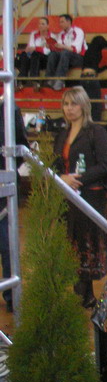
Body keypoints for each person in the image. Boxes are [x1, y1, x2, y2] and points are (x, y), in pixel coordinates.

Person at [52, 86, 107, 308]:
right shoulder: (62, 134)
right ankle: (81, 294)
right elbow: (55, 163)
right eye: (66, 104)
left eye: (74, 103)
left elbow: (106, 164)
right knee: (71, 244)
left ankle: (85, 294)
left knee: (86, 244)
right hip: (66, 198)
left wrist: (77, 179)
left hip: (89, 197)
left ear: (84, 105)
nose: (69, 108)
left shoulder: (96, 131)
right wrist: (61, 178)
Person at [0, 99, 30, 312]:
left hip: (4, 187)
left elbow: (21, 147)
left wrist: (6, 174)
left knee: (7, 243)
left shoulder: (9, 108)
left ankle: (11, 294)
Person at [46, 14, 87, 91]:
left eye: (62, 22)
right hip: (65, 57)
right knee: (53, 54)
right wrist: (51, 46)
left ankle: (60, 80)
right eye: (59, 22)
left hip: (79, 57)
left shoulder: (78, 31)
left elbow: (76, 49)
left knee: (65, 53)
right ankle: (49, 79)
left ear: (68, 22)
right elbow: (59, 49)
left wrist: (63, 46)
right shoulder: (61, 34)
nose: (60, 24)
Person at [15, 17, 52, 86]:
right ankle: (22, 80)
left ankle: (34, 79)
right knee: (23, 55)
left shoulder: (51, 36)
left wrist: (35, 48)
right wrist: (37, 48)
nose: (40, 25)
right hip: (33, 57)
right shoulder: (34, 34)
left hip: (45, 59)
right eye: (39, 24)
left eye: (43, 24)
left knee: (35, 54)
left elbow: (47, 51)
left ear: (47, 26)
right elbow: (30, 47)